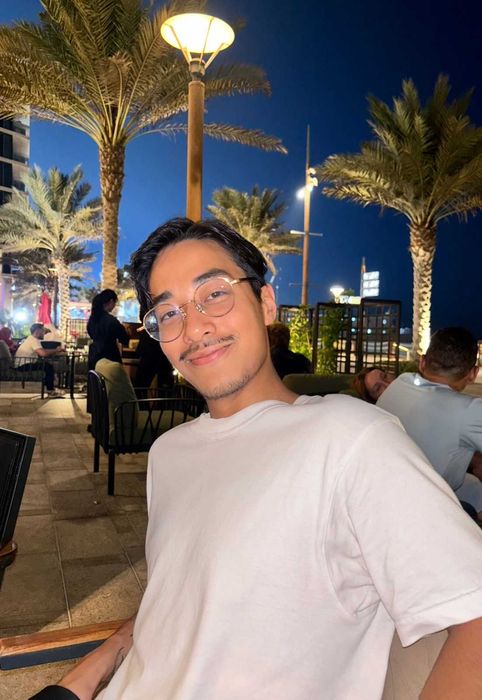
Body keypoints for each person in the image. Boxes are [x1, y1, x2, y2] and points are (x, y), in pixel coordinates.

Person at [40, 220, 482, 700]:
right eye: (168, 312)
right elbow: (181, 598)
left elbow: (474, 620)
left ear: (266, 303)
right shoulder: (169, 452)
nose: (195, 327)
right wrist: (86, 674)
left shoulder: (350, 439)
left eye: (214, 294)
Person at [377, 327, 482, 514]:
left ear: (423, 362)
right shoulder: (470, 410)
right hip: (421, 506)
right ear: (473, 373)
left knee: (473, 486)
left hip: (383, 489)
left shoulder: (400, 383)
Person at [15, 323, 65, 398]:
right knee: (48, 367)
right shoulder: (33, 340)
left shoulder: (32, 339)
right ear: (37, 331)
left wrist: (54, 351)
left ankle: (50, 386)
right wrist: (56, 350)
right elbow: (43, 353)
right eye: (43, 331)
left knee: (47, 365)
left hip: (24, 364)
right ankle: (50, 390)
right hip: (24, 365)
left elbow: (42, 352)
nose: (44, 333)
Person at [87, 289, 129, 370]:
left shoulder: (92, 319)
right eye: (115, 303)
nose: (114, 306)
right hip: (110, 357)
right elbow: (124, 339)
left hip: (94, 357)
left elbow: (91, 334)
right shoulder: (111, 320)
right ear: (111, 301)